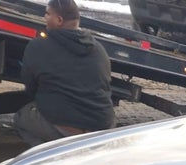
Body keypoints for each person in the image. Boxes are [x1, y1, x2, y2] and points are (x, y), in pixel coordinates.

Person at [14, 0, 116, 146]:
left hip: (64, 125)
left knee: (21, 119)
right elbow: (106, 84)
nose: (44, 17)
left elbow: (30, 86)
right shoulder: (98, 48)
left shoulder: (38, 46)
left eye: (48, 14)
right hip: (103, 124)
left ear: (59, 20)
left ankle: (47, 156)